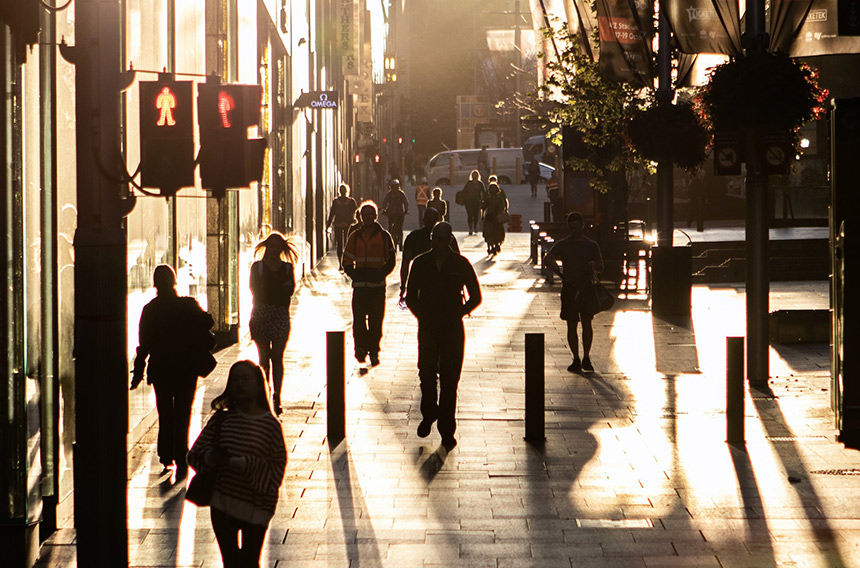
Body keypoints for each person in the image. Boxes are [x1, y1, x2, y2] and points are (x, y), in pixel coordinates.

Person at [187, 360, 287, 568]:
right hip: (223, 503)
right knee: (231, 562)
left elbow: (277, 464)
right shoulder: (221, 420)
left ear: (259, 385)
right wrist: (210, 458)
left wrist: (246, 464)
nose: (240, 384)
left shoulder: (269, 425)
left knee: (250, 561)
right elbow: (195, 453)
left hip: (257, 504)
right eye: (235, 380)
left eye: (245, 379)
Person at [131, 265, 215, 479]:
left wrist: (138, 372)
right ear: (174, 281)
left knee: (166, 412)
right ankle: (181, 454)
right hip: (186, 368)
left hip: (162, 368)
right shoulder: (188, 304)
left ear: (155, 284)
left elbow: (144, 344)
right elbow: (207, 322)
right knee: (183, 412)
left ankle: (166, 455)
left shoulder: (150, 310)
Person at [405, 222, 482, 450]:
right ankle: (429, 414)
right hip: (428, 328)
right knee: (427, 375)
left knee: (450, 382)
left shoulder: (460, 264)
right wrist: (422, 316)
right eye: (434, 238)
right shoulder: (421, 263)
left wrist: (459, 312)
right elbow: (411, 297)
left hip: (452, 329)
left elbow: (476, 296)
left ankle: (447, 431)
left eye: (441, 239)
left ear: (449, 239)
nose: (437, 243)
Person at [544, 211, 604, 373]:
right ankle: (579, 358)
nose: (575, 230)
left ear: (582, 226)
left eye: (577, 227)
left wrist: (559, 271)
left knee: (583, 323)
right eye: (572, 228)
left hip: (581, 287)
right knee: (577, 324)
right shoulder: (584, 245)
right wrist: (559, 271)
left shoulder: (583, 245)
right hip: (574, 287)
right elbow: (547, 258)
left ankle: (583, 357)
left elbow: (600, 265)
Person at [249, 232, 298, 416]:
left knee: (277, 357)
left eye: (278, 246)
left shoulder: (287, 267)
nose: (275, 249)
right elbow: (254, 289)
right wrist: (277, 289)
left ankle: (277, 395)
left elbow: (290, 290)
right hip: (261, 314)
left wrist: (269, 289)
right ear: (266, 247)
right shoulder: (258, 267)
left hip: (279, 315)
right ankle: (264, 394)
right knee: (263, 358)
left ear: (282, 248)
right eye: (272, 246)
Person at [342, 202, 396, 367]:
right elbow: (347, 260)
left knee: (375, 321)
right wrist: (355, 274)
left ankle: (373, 351)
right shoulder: (355, 237)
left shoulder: (384, 236)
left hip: (377, 287)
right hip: (359, 287)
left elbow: (391, 260)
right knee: (358, 321)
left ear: (375, 216)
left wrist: (380, 274)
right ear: (361, 217)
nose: (367, 218)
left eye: (370, 215)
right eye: (364, 215)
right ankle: (360, 348)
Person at [399, 208, 460, 302]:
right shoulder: (447, 238)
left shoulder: (413, 238)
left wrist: (403, 286)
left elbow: (405, 263)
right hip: (442, 286)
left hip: (427, 286)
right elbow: (457, 262)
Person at [326, 183, 358, 269]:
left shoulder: (336, 202)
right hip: (348, 224)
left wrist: (328, 225)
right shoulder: (351, 201)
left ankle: (340, 263)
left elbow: (332, 214)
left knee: (339, 244)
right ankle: (347, 261)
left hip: (338, 225)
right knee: (347, 243)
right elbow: (356, 212)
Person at [381, 178, 409, 250]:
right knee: (390, 228)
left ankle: (401, 244)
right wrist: (383, 209)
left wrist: (406, 210)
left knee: (399, 228)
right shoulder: (389, 195)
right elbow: (385, 202)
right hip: (391, 213)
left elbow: (405, 202)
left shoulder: (401, 194)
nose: (394, 189)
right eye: (393, 187)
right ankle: (390, 242)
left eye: (396, 187)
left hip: (399, 213)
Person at [482, 182, 509, 255]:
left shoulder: (488, 199)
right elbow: (502, 208)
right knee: (497, 233)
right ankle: (496, 245)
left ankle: (491, 247)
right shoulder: (499, 199)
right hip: (496, 218)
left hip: (489, 217)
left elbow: (483, 208)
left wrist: (483, 216)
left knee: (489, 233)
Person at [459, 170, 484, 235]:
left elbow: (483, 192)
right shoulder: (469, 183)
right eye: (473, 175)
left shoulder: (480, 183)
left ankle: (475, 226)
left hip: (477, 201)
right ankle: (470, 228)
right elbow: (464, 191)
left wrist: (483, 200)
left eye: (476, 175)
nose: (474, 176)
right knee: (469, 214)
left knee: (475, 214)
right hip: (468, 201)